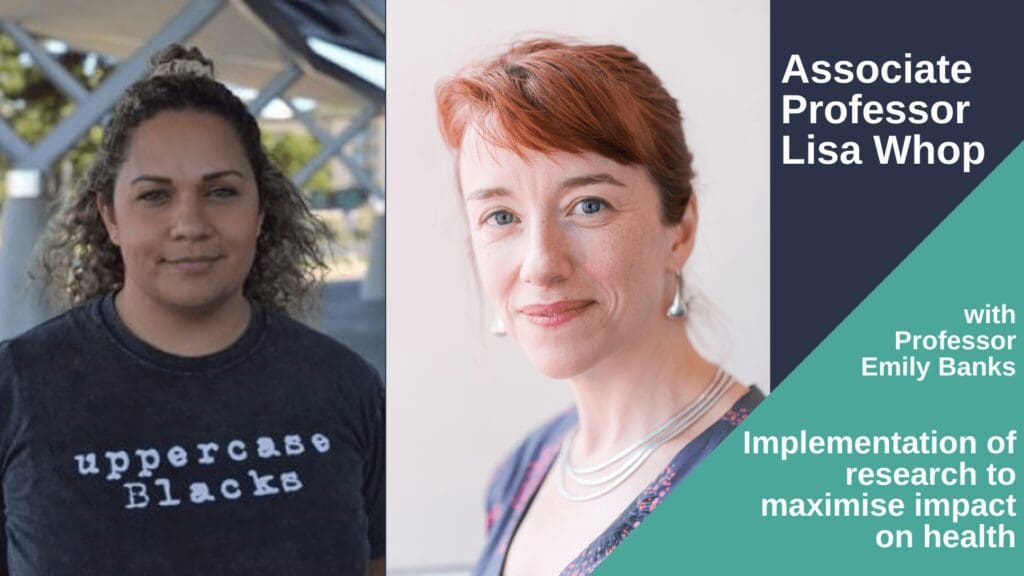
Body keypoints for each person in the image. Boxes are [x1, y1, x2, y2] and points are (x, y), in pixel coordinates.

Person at [0, 45, 384, 576]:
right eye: (155, 196)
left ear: (259, 212)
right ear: (109, 216)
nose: (190, 223)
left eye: (221, 191)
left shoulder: (343, 386)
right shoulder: (17, 386)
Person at [436, 38, 764, 576]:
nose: (540, 263)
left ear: (679, 230)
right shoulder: (522, 470)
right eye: (500, 216)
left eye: (589, 205)